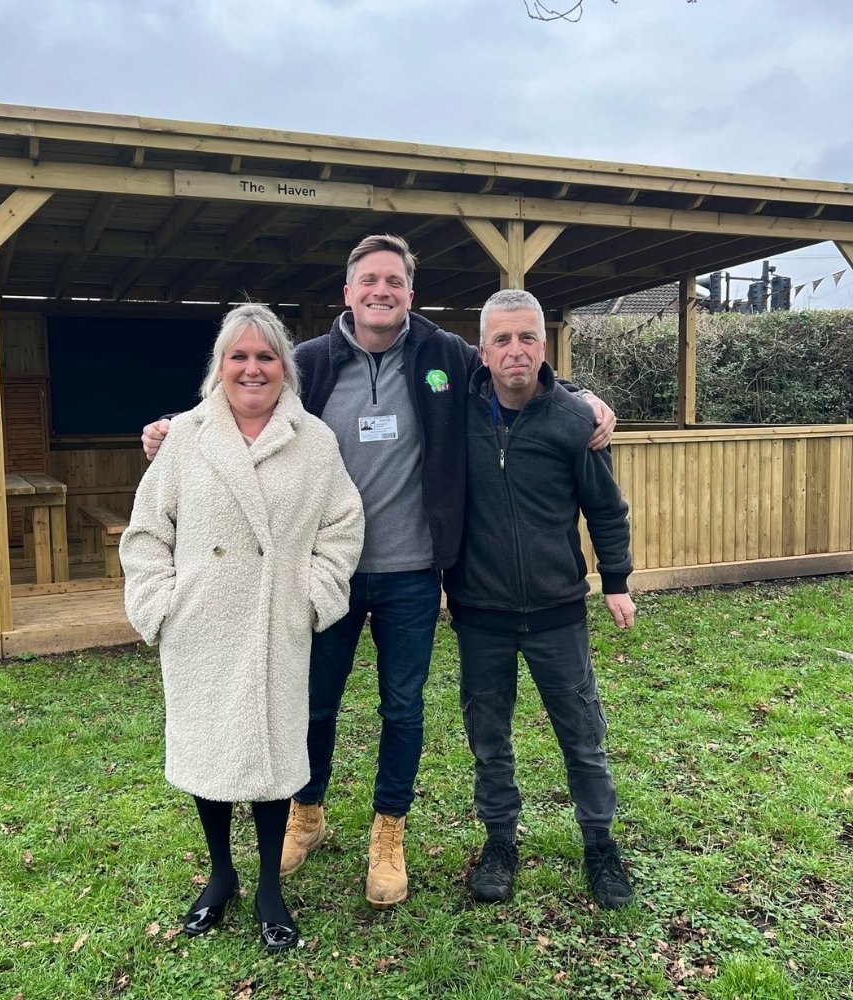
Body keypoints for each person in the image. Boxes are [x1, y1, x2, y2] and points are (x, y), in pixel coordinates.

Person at [140, 234, 616, 909]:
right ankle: (307, 814)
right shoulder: (310, 362)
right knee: (315, 704)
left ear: (409, 295)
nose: (381, 291)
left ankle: (388, 834)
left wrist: (583, 397)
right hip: (322, 573)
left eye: (394, 281)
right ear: (349, 292)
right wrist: (169, 427)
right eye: (369, 281)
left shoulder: (444, 354)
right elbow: (239, 399)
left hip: (414, 572)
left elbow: (514, 370)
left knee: (403, 707)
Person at [120, 303, 364, 952]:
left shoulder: (314, 442)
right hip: (200, 627)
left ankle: (268, 889)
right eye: (239, 356)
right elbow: (148, 532)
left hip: (275, 626)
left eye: (265, 356)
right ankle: (221, 875)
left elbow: (343, 527)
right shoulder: (187, 439)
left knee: (275, 756)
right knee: (211, 753)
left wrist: (311, 597)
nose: (252, 368)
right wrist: (160, 606)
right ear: (219, 366)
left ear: (284, 366)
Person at [443, 288, 636, 910]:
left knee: (582, 735)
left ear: (544, 345)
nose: (515, 350)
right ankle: (500, 842)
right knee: (489, 738)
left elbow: (606, 510)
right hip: (481, 614)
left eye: (527, 337)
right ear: (483, 350)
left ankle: (601, 845)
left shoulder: (574, 421)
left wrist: (615, 581)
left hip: (558, 613)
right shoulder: (456, 416)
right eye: (502, 339)